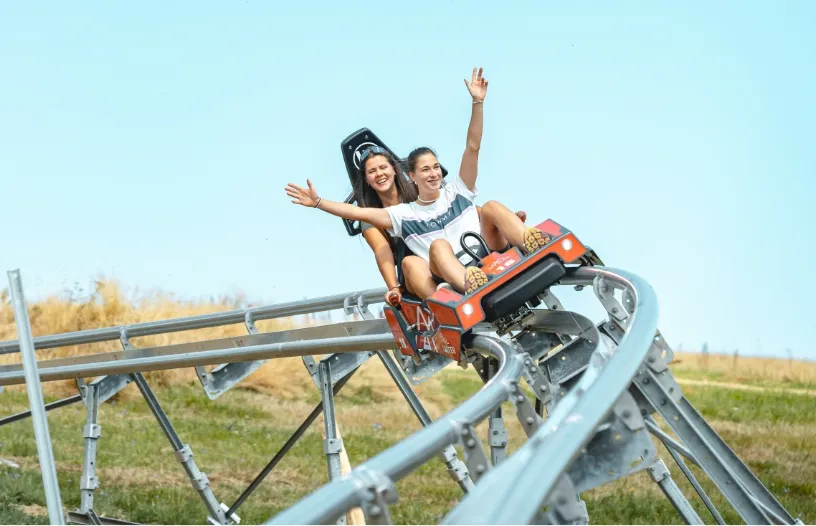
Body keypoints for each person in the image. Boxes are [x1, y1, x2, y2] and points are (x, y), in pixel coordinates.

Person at [286, 67, 550, 299]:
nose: (433, 173)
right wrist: (319, 202)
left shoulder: (456, 189)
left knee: (490, 206)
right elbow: (360, 215)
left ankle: (531, 241)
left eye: (436, 167)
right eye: (425, 170)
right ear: (412, 175)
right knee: (435, 248)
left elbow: (473, 147)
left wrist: (477, 104)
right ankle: (468, 285)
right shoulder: (405, 214)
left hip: (485, 253)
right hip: (450, 272)